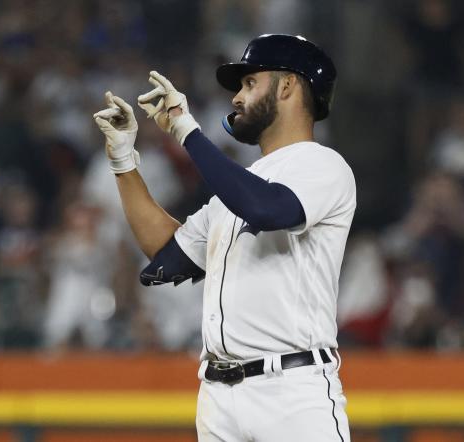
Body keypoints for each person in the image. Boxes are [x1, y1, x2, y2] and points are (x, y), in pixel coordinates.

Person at [93, 34, 355, 441]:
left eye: (250, 83)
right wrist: (124, 161)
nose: (236, 98)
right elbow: (168, 254)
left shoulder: (324, 166)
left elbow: (268, 209)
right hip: (218, 397)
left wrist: (187, 131)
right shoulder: (234, 192)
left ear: (287, 85)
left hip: (292, 393)